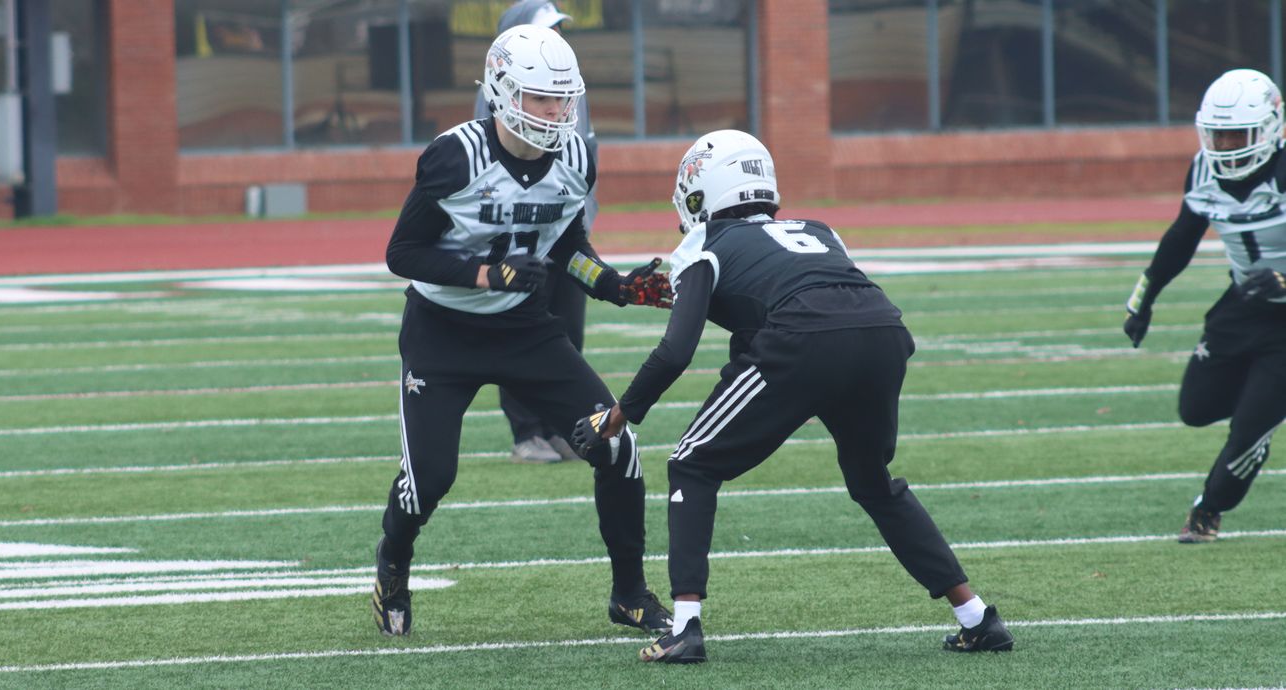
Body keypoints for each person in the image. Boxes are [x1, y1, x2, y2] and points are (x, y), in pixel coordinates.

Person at [572, 130, 1014, 663]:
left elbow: (675, 352)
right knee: (874, 483)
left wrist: (616, 417)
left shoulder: (702, 244)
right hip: (882, 333)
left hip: (803, 340)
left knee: (691, 464)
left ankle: (684, 628)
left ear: (701, 192)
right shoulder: (819, 230)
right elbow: (795, 295)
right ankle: (977, 617)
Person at [371, 24, 673, 638]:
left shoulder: (577, 159)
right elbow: (403, 253)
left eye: (564, 98)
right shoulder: (457, 156)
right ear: (503, 92)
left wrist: (614, 285)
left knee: (616, 445)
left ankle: (630, 594)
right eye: (542, 97)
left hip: (524, 329)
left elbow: (564, 244)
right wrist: (486, 274)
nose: (557, 112)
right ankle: (392, 566)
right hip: (442, 331)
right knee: (429, 480)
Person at [1123, 67, 1286, 544]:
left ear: (1271, 128)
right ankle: (1264, 402)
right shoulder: (1203, 169)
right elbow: (1182, 237)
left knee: (1248, 431)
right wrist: (1143, 300)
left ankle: (1208, 509)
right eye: (1218, 135)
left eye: (1238, 134)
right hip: (1242, 305)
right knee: (1195, 408)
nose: (1227, 146)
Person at [475, 0, 597, 464]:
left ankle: (562, 426)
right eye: (546, 29)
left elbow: (582, 158)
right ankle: (526, 431)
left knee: (567, 336)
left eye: (559, 29)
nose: (557, 38)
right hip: (518, 238)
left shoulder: (571, 89)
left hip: (564, 231)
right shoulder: (499, 93)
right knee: (518, 336)